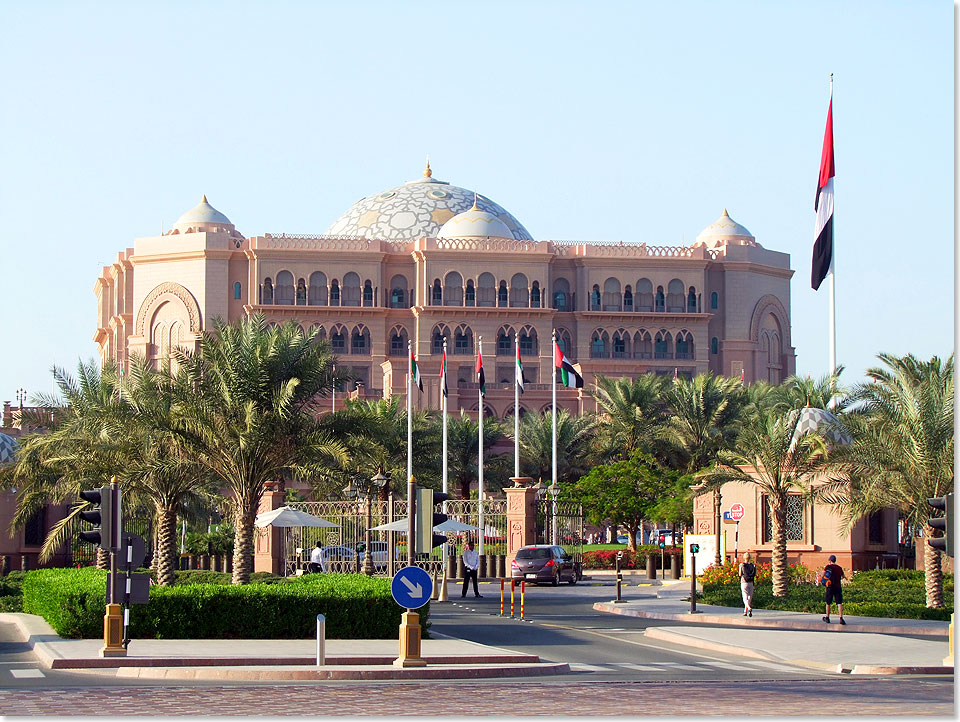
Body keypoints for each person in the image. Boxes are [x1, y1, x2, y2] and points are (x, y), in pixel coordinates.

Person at [818, 554, 846, 624]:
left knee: (828, 602)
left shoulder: (828, 567)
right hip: (837, 586)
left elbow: (823, 574)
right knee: (839, 602)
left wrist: (821, 577)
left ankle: (827, 617)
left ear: (830, 560)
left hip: (830, 586)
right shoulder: (839, 568)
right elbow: (843, 576)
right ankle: (841, 618)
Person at [738, 552, 756, 617]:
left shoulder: (742, 565)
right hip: (751, 582)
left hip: (744, 582)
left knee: (745, 596)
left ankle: (748, 607)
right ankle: (745, 612)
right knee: (749, 597)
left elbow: (740, 574)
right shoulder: (752, 565)